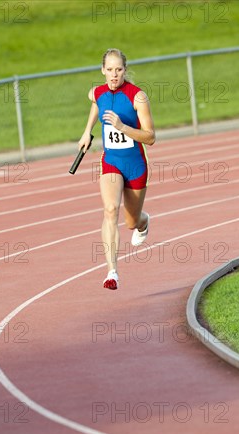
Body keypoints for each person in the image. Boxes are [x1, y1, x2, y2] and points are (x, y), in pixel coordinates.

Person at [79, 48, 156, 290]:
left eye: (119, 70)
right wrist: (86, 131)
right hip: (111, 160)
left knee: (131, 222)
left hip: (135, 166)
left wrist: (122, 126)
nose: (114, 75)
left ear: (125, 70)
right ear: (102, 70)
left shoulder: (137, 97)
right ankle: (112, 271)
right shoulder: (97, 92)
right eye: (110, 70)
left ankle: (143, 222)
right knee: (110, 209)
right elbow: (95, 104)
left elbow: (150, 137)